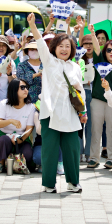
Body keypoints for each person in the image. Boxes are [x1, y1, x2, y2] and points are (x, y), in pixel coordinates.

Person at [27, 12, 86, 193]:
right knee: (50, 150)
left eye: (68, 46)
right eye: (60, 46)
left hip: (70, 113)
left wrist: (83, 112)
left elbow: (80, 91)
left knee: (72, 150)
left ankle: (73, 182)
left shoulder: (75, 66)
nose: (64, 49)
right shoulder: (49, 61)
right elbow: (39, 43)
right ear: (54, 47)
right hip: (50, 113)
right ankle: (49, 184)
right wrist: (33, 27)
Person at [86, 25, 112, 169]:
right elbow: (96, 47)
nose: (111, 52)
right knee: (95, 130)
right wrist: (93, 33)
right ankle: (94, 158)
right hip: (97, 100)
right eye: (108, 50)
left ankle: (111, 158)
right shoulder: (100, 62)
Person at [0, 79, 35, 173]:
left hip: (22, 137)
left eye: (26, 87)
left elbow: (29, 129)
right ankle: (1, 163)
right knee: (4, 140)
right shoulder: (4, 104)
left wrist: (20, 139)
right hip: (5, 136)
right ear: (14, 90)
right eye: (22, 88)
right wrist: (10, 121)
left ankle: (16, 164)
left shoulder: (30, 107)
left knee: (27, 155)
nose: (26, 90)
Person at [79, 34, 95, 163]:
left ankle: (89, 153)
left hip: (93, 94)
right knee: (78, 125)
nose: (88, 46)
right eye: (85, 44)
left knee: (90, 125)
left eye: (91, 43)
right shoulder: (78, 59)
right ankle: (78, 152)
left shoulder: (98, 59)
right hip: (79, 93)